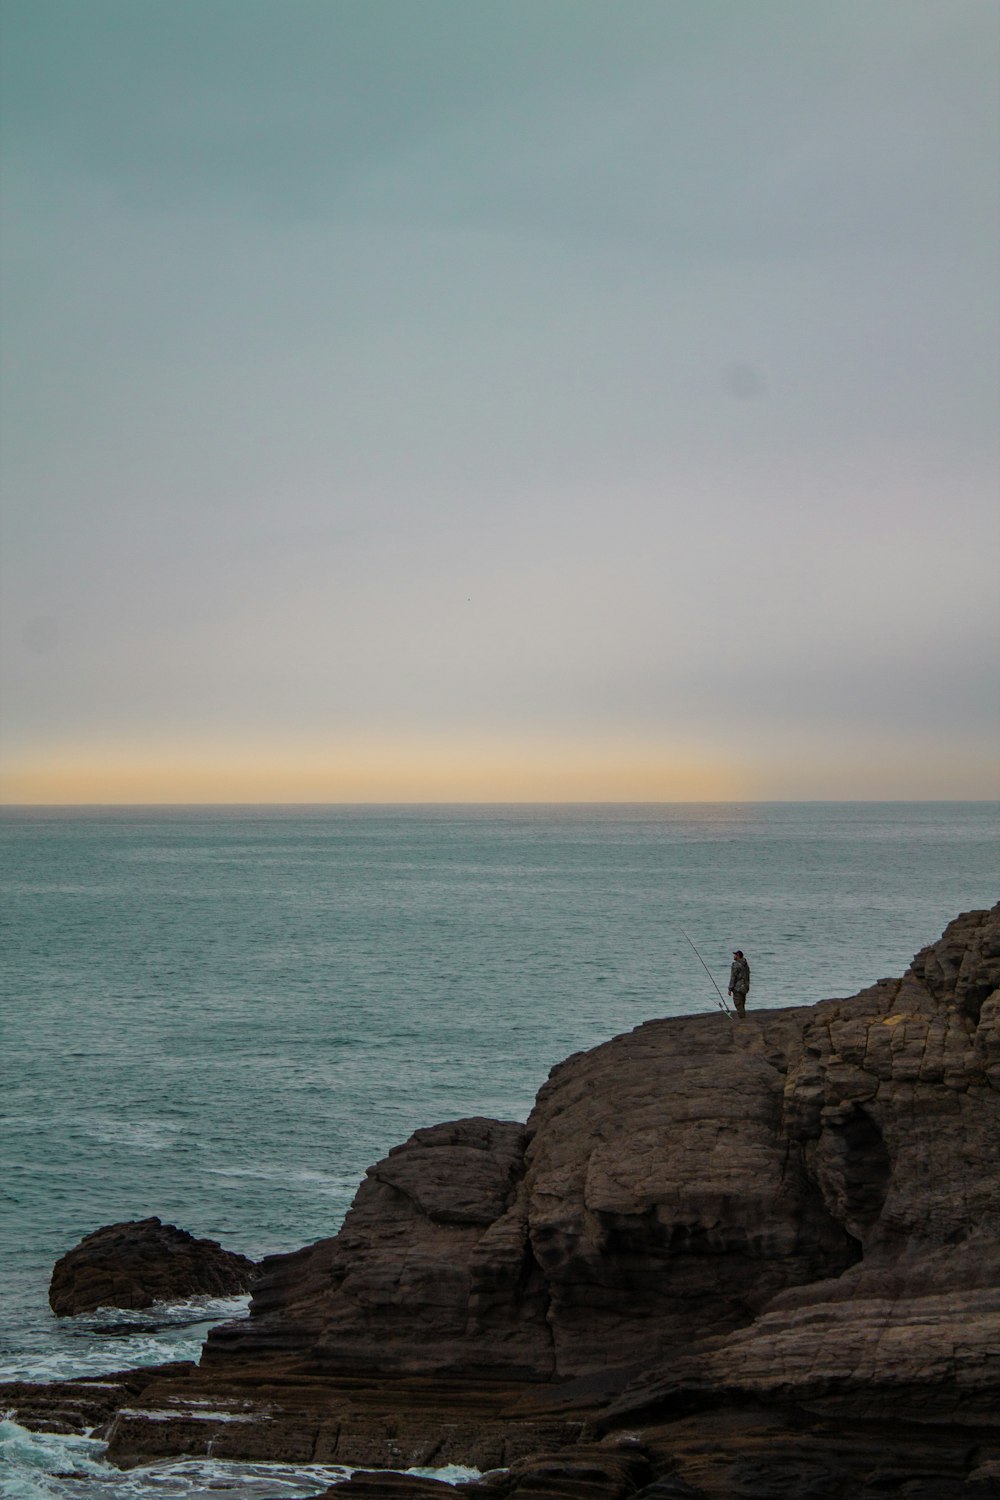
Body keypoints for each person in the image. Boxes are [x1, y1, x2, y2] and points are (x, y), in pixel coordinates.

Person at [729, 949, 750, 1016]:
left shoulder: (736, 965)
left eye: (735, 955)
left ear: (738, 956)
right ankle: (743, 1017)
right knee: (742, 1004)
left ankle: (742, 1018)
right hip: (745, 988)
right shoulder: (746, 964)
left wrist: (730, 989)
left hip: (737, 988)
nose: (734, 956)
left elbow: (733, 977)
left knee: (738, 1004)